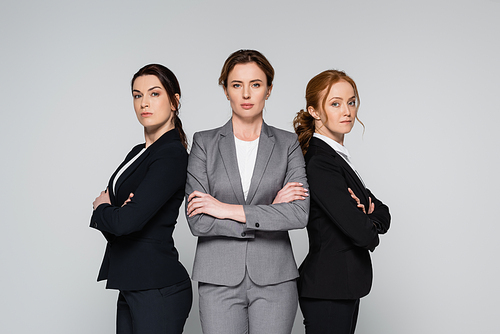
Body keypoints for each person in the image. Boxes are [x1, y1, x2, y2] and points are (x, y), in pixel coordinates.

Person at [185, 49, 309, 334]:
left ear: (269, 90)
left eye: (255, 84)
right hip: (217, 279)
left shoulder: (287, 144)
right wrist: (270, 211)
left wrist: (225, 208)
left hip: (275, 279)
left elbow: (299, 214)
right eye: (236, 85)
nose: (246, 94)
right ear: (226, 90)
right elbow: (198, 221)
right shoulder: (204, 143)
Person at [90, 64, 192, 334]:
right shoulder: (138, 152)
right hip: (131, 283)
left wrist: (104, 209)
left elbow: (124, 221)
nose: (144, 103)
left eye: (154, 94)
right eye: (137, 95)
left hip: (157, 287)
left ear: (174, 100)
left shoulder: (171, 155)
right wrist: (116, 213)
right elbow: (120, 220)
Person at [293, 70, 391, 334]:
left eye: (351, 101)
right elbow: (362, 234)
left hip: (340, 285)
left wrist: (369, 216)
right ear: (314, 111)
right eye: (335, 103)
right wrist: (369, 224)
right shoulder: (320, 161)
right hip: (328, 286)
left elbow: (383, 211)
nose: (347, 111)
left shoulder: (336, 157)